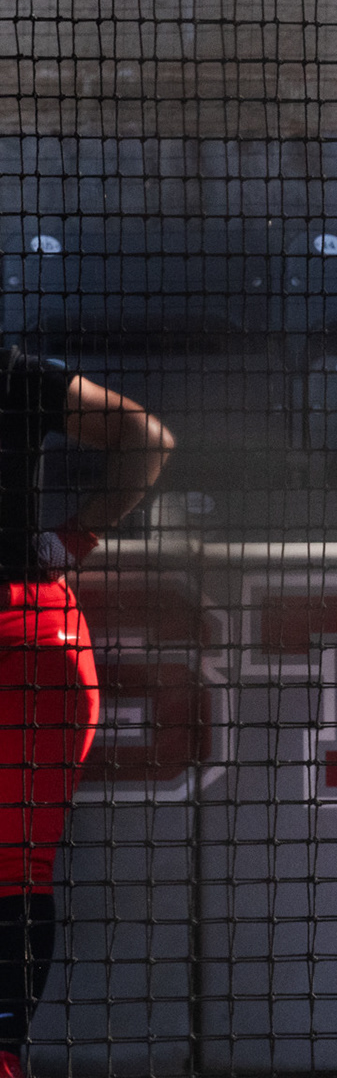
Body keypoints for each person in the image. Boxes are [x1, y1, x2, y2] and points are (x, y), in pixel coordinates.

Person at [0, 352, 174, 1078]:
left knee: (16, 868)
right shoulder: (12, 371)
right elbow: (148, 438)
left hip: (30, 638)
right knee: (17, 868)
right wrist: (73, 538)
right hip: (34, 628)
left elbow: (147, 439)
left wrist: (73, 538)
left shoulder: (14, 373)